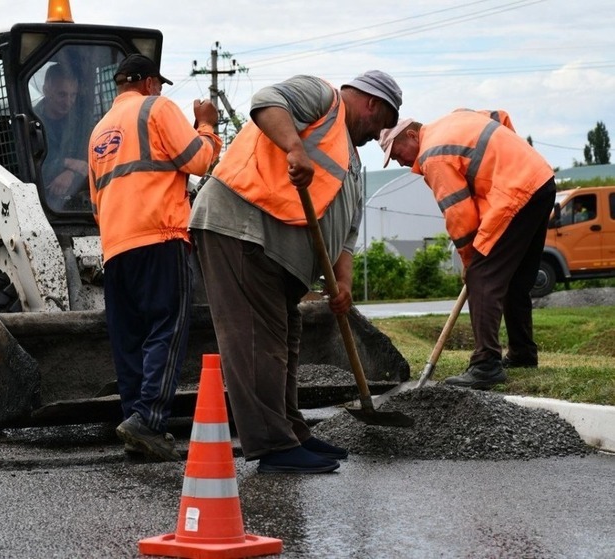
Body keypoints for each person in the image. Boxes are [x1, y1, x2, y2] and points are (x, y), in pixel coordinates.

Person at [189, 71, 403, 473]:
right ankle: (272, 446)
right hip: (242, 225)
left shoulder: (351, 163)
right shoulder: (323, 96)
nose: (378, 135)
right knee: (256, 339)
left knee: (283, 339)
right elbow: (266, 102)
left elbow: (345, 237)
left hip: (278, 252)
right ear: (373, 103)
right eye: (381, 123)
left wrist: (342, 282)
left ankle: (290, 431)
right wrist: (294, 149)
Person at [88, 53, 221, 461]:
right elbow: (199, 161)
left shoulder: (98, 132)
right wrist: (207, 125)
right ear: (148, 83)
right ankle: (149, 420)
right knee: (167, 328)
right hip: (161, 237)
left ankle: (135, 423)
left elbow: (97, 200)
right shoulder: (157, 108)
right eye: (159, 84)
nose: (161, 90)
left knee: (129, 340)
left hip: (115, 247)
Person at [379, 109, 556, 389]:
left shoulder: (432, 156)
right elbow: (501, 117)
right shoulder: (454, 118)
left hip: (516, 193)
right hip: (540, 179)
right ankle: (523, 353)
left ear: (412, 135)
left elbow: (460, 216)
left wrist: (470, 262)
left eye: (396, 152)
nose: (399, 161)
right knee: (516, 279)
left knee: (482, 277)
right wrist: (512, 162)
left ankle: (486, 365)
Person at [33, 63, 90, 211]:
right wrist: (66, 162)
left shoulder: (82, 123)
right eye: (62, 94)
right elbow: (30, 167)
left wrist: (71, 173)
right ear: (46, 90)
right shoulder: (31, 122)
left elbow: (89, 162)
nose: (68, 102)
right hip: (40, 202)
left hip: (80, 202)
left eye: (73, 95)